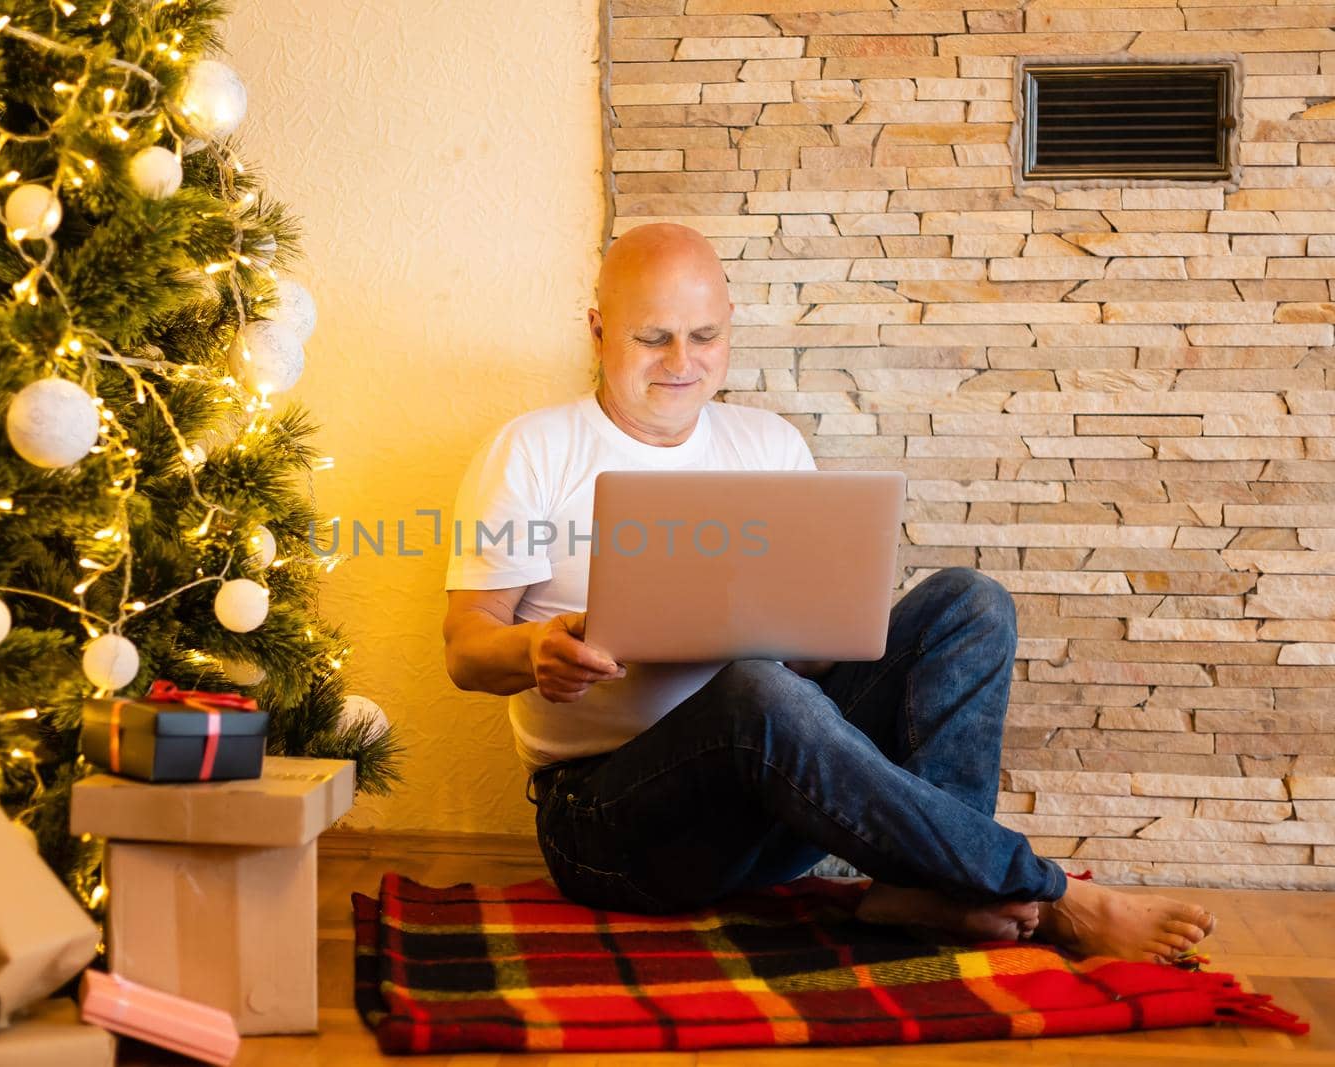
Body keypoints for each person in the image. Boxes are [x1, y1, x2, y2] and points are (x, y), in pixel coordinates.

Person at [440, 222, 1215, 963]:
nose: (682, 359)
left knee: (967, 601)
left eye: (705, 336)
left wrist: (815, 638)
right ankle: (1053, 896)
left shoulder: (769, 444)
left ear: (730, 328)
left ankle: (924, 885)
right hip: (611, 824)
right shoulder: (532, 450)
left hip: (771, 808)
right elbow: (466, 650)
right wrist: (533, 648)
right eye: (652, 336)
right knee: (756, 691)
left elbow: (808, 669)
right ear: (598, 329)